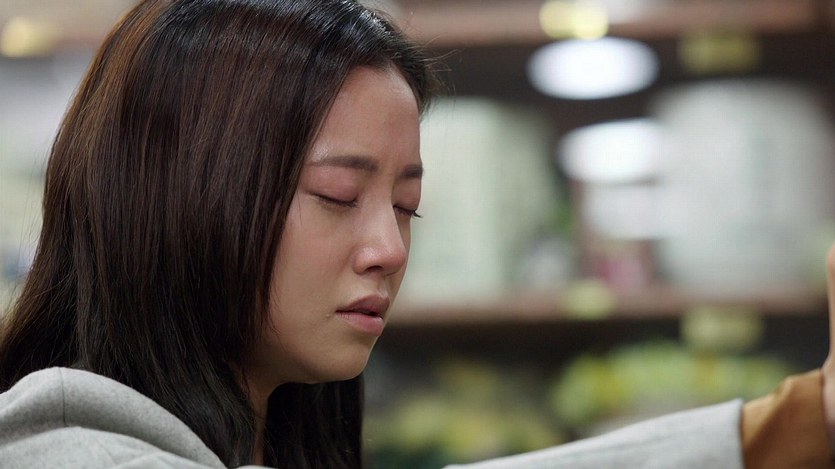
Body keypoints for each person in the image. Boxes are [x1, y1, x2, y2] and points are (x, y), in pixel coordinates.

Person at [0, 0, 833, 468]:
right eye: (336, 195)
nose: (389, 250)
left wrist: (796, 423)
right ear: (178, 194)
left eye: (406, 205)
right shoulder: (64, 449)